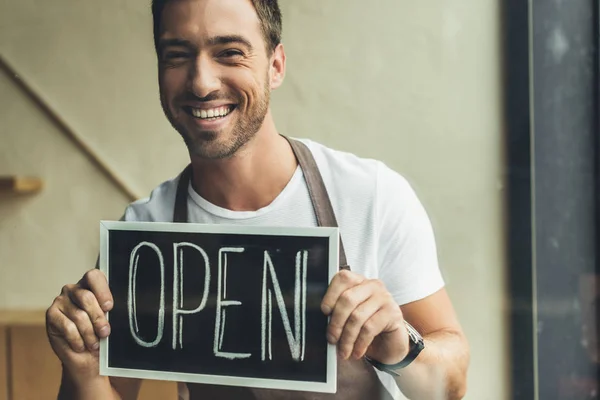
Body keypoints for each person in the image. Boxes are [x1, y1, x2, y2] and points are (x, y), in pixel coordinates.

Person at [45, 0, 470, 398]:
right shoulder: (141, 235)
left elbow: (450, 386)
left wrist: (399, 345)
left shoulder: (371, 197)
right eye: (177, 55)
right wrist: (82, 369)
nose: (201, 81)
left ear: (276, 65)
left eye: (229, 52)